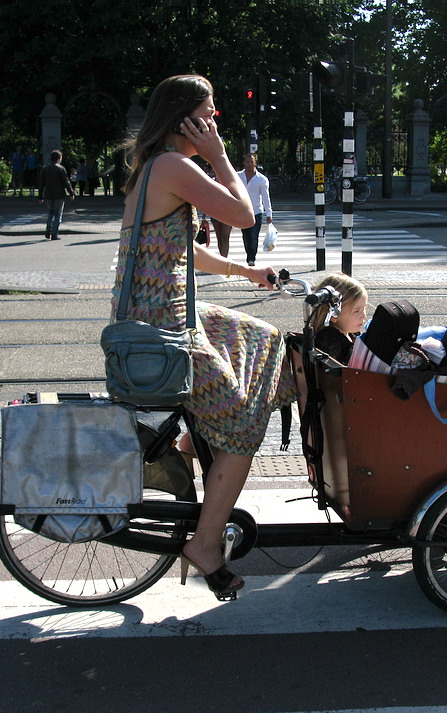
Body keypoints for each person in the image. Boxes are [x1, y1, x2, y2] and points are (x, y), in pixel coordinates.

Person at [111, 74, 295, 601]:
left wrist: (245, 272)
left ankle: (193, 444)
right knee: (241, 424)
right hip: (164, 326)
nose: (216, 123)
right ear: (185, 119)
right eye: (209, 114)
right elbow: (243, 213)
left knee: (264, 338)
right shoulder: (174, 165)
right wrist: (219, 155)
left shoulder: (156, 168)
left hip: (165, 309)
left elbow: (178, 253)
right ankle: (205, 541)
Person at [309, 274, 369, 365]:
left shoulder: (350, 333)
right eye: (356, 311)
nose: (363, 316)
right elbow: (334, 375)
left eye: (364, 308)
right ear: (333, 314)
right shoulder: (330, 340)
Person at [238, 153, 273, 265]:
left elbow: (265, 197)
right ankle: (249, 255)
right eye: (247, 162)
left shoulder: (262, 179)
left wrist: (269, 213)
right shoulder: (238, 176)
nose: (249, 164)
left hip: (256, 211)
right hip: (243, 211)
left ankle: (251, 259)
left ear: (255, 163)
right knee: (246, 236)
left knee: (253, 236)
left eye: (251, 162)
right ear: (244, 163)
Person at [38, 149, 75, 240]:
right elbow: (66, 182)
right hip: (59, 194)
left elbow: (41, 184)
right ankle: (54, 233)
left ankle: (48, 229)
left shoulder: (45, 169)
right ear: (59, 159)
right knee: (58, 214)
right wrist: (71, 193)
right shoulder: (61, 169)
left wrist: (40, 196)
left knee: (50, 212)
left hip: (48, 194)